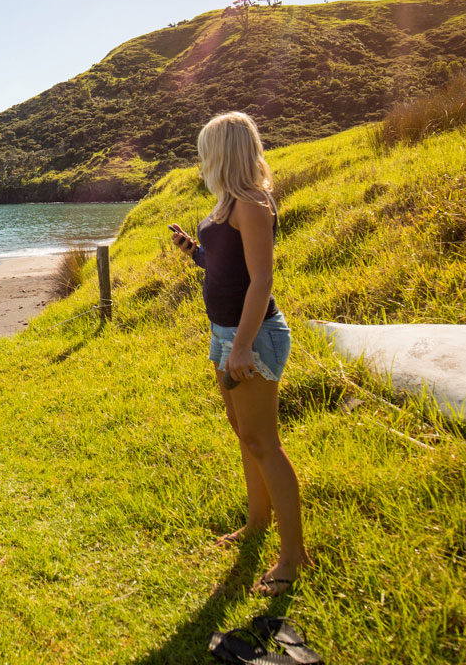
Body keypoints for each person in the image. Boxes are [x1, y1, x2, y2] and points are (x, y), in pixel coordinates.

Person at [169, 111, 312, 595]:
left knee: (262, 441)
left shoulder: (252, 205)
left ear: (223, 152)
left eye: (206, 149)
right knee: (243, 434)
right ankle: (257, 522)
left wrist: (244, 345)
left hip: (252, 336)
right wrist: (193, 250)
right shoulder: (225, 205)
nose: (200, 159)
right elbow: (223, 265)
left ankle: (294, 557)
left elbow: (262, 280)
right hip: (224, 334)